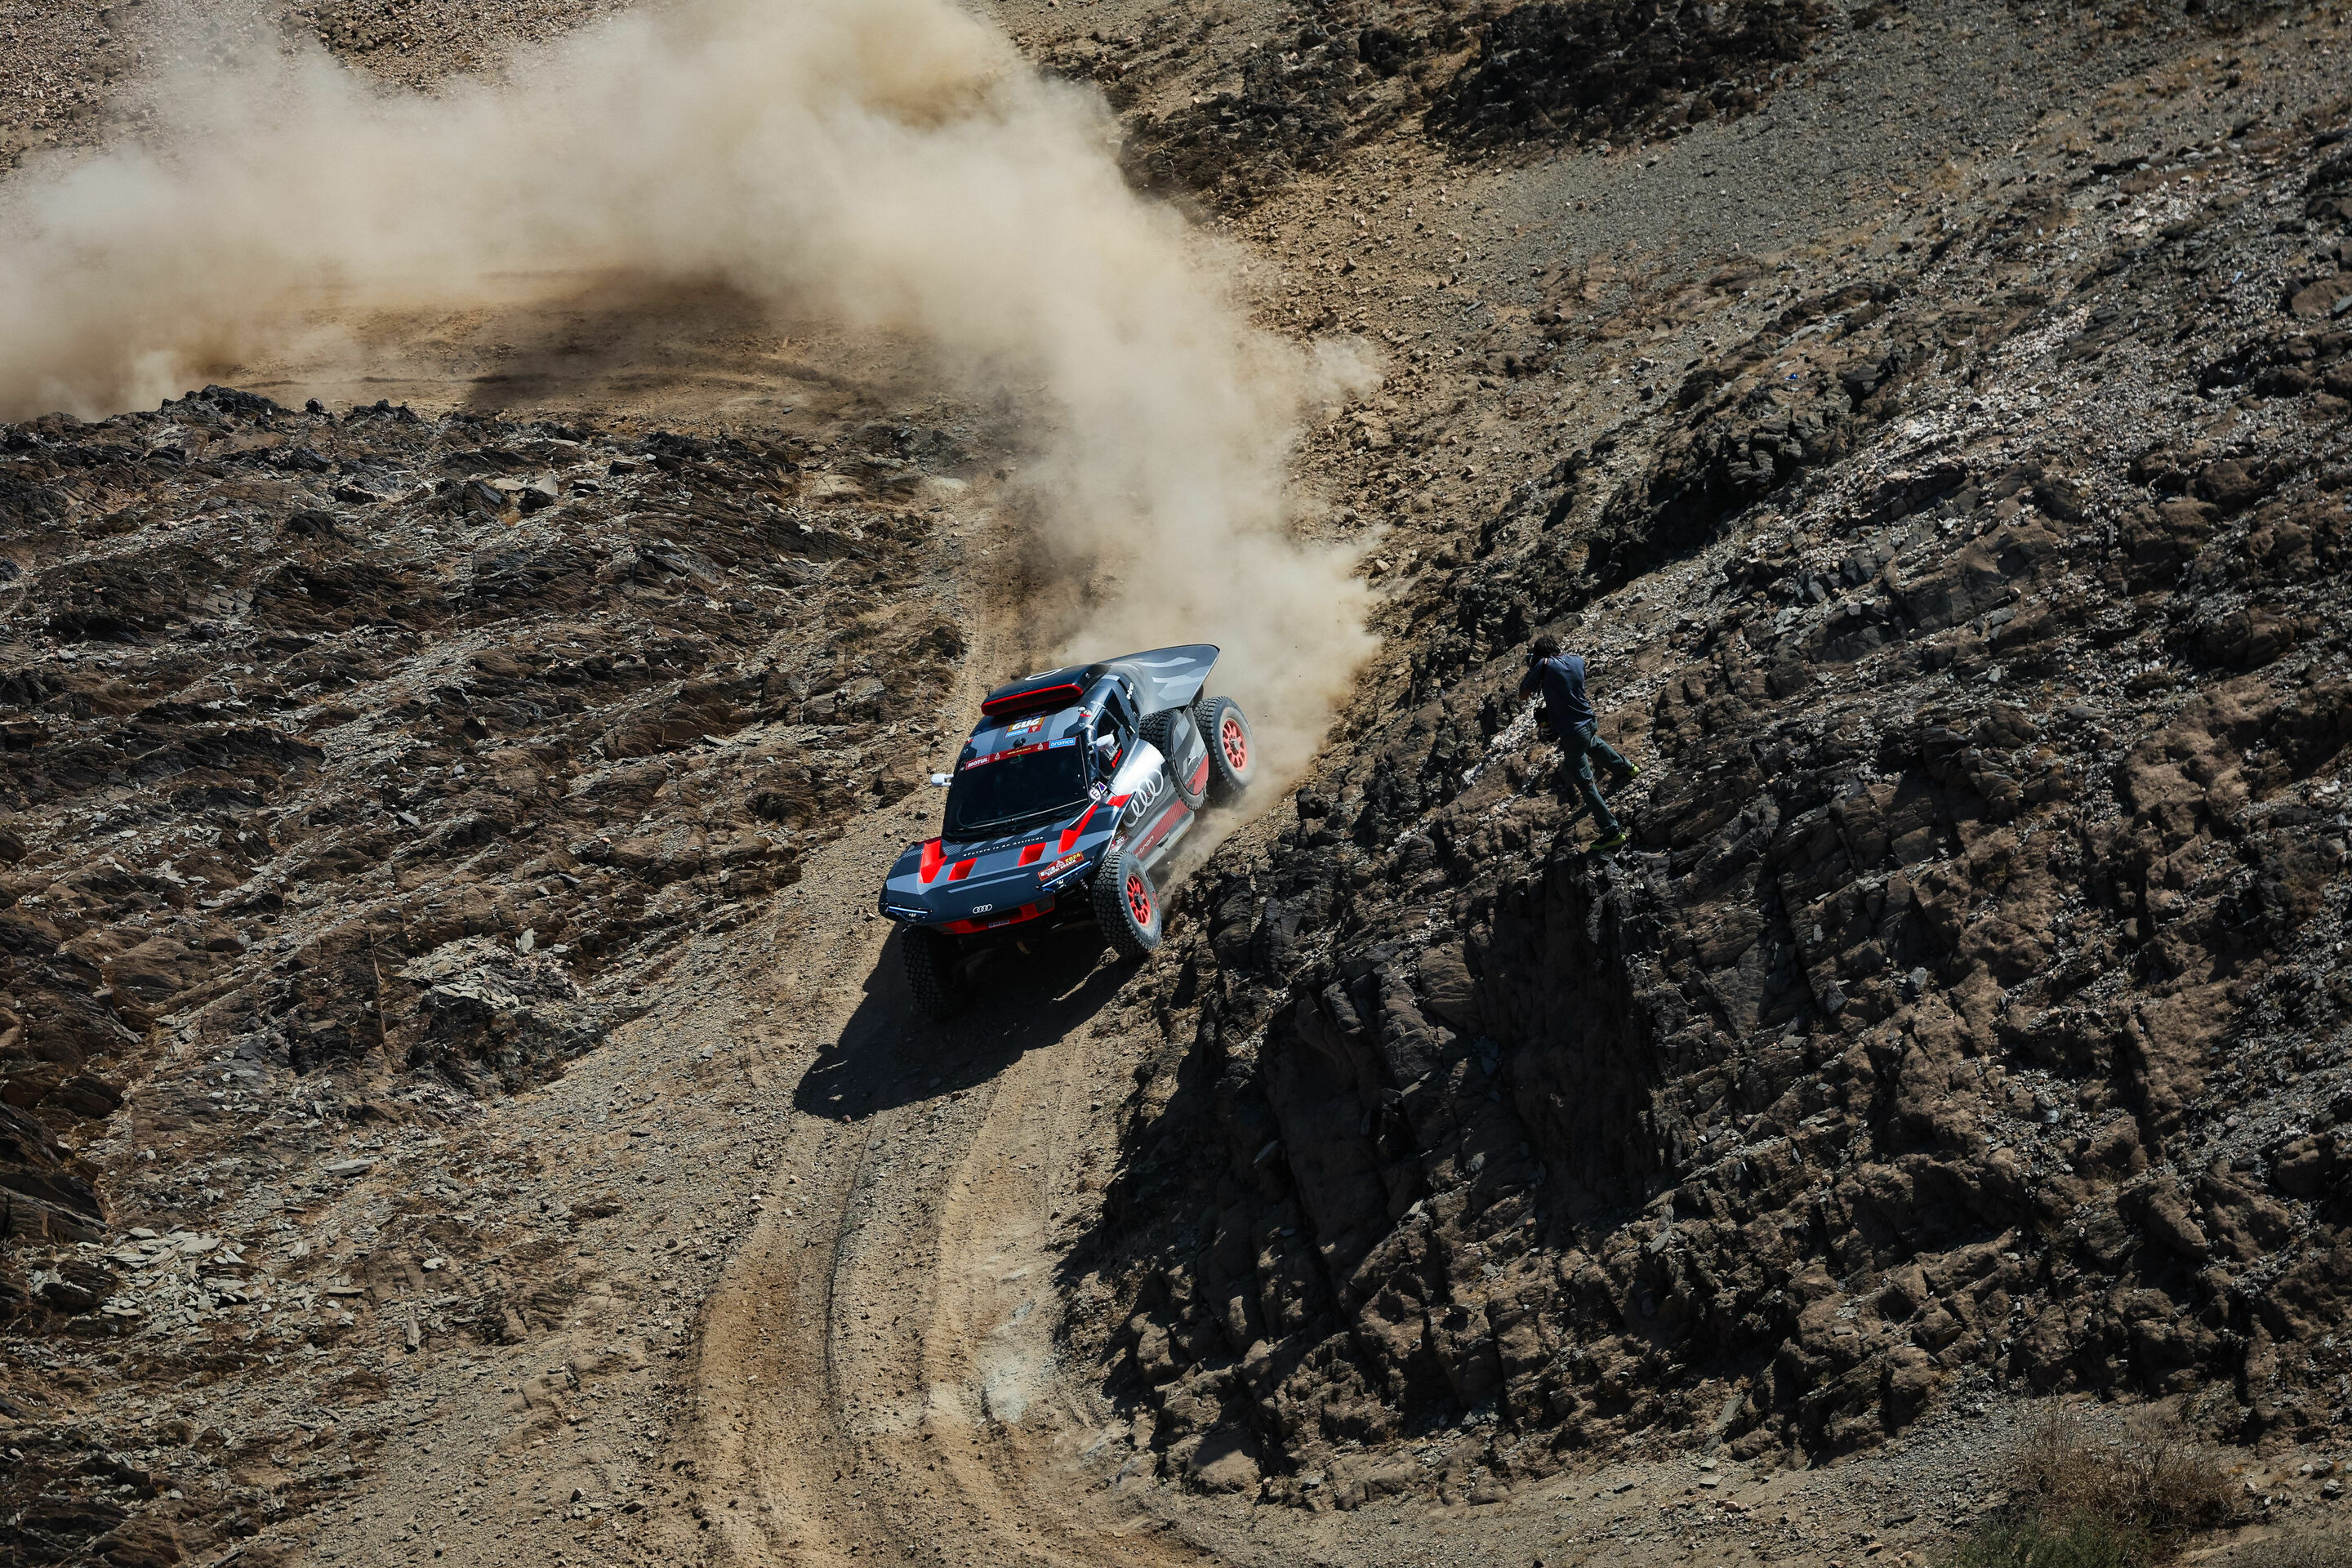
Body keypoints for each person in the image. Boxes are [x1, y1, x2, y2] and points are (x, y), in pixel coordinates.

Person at [1517, 635, 1640, 849]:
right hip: (1589, 721)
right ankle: (1628, 768)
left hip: (1572, 731)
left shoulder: (1543, 665)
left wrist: (1533, 668)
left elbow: (1524, 694)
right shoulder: (1577, 660)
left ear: (1540, 654)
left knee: (1585, 783)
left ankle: (1612, 832)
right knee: (1593, 744)